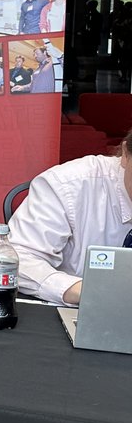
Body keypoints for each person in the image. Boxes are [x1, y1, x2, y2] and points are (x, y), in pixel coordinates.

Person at [8, 127, 132, 306]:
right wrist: (88, 291)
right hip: (77, 312)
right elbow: (19, 258)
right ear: (126, 155)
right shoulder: (68, 185)